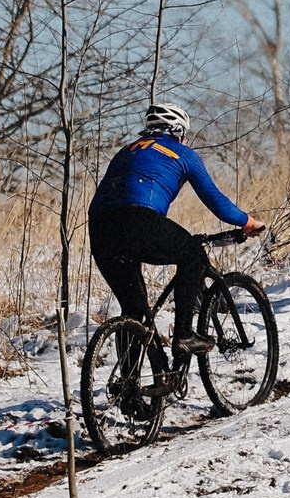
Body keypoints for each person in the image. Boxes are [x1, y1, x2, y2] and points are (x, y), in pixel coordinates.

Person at [88, 103, 265, 355]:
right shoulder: (183, 153)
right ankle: (184, 334)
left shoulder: (125, 151)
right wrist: (248, 222)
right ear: (178, 132)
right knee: (192, 253)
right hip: (138, 219)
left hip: (100, 227)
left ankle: (128, 391)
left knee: (134, 311)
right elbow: (216, 201)